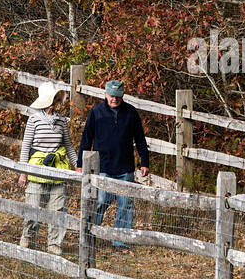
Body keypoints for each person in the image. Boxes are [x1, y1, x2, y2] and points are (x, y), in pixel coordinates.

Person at [78, 79, 150, 250]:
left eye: (117, 96)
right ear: (105, 94)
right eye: (111, 96)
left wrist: (144, 162)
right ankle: (90, 235)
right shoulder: (96, 112)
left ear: (122, 95)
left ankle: (121, 241)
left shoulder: (131, 113)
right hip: (102, 167)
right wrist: (81, 163)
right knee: (100, 200)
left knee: (125, 205)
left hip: (125, 167)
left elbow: (140, 139)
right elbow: (86, 138)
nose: (114, 99)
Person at [17, 82, 77, 254]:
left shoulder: (61, 121)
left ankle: (54, 244)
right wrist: (23, 172)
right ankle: (27, 239)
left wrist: (77, 165)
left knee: (57, 210)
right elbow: (26, 147)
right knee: (33, 209)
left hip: (57, 169)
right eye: (51, 99)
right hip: (36, 169)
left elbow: (68, 145)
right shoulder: (34, 119)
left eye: (55, 99)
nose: (53, 102)